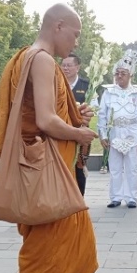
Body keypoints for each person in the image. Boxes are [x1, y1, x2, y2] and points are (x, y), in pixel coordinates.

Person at [0, 3, 98, 273]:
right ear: (59, 26)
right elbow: (44, 121)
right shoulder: (40, 59)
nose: (76, 43)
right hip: (40, 167)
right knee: (43, 246)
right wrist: (78, 132)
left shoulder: (29, 57)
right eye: (76, 34)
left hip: (40, 164)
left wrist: (74, 115)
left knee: (66, 235)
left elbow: (45, 111)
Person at [98, 50, 137, 208]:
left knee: (132, 167)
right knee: (114, 167)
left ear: (130, 75)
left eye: (123, 73)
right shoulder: (108, 92)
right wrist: (102, 135)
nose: (119, 76)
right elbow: (102, 115)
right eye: (117, 73)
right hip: (114, 133)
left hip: (132, 133)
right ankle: (115, 197)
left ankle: (132, 197)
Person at [61, 53, 90, 195]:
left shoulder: (86, 85)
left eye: (69, 65)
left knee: (79, 167)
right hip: (61, 131)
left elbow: (93, 107)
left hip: (80, 132)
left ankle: (79, 200)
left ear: (77, 67)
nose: (65, 68)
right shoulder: (56, 83)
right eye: (63, 65)